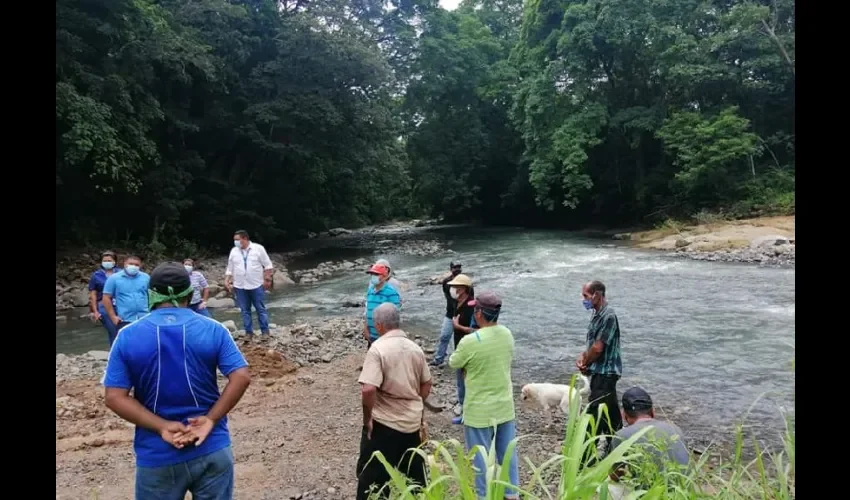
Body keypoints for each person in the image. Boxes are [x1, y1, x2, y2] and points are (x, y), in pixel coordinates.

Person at [102, 262, 252, 500]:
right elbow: (241, 376)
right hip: (211, 446)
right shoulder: (213, 329)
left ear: (150, 294)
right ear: (190, 293)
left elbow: (114, 397)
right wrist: (211, 419)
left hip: (158, 455)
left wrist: (162, 426)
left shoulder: (127, 335)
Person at [356, 303, 431, 500]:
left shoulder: (377, 349)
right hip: (411, 424)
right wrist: (416, 404)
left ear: (379, 325)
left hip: (384, 424)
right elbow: (427, 384)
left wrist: (367, 419)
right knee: (416, 481)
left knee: (372, 481)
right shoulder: (416, 349)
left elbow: (368, 388)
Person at [449, 291, 519, 499]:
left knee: (481, 460)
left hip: (479, 411)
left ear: (479, 313)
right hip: (505, 407)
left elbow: (454, 362)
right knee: (508, 456)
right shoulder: (507, 334)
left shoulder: (470, 341)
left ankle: (483, 495)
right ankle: (512, 494)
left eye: (474, 309)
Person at [575, 280, 623, 459]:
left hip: (606, 373)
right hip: (599, 371)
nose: (584, 300)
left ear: (597, 295)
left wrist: (586, 362)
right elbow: (591, 345)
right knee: (611, 413)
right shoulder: (597, 315)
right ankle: (618, 447)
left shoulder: (608, 316)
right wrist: (583, 357)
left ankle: (585, 457)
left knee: (593, 412)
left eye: (586, 296)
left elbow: (598, 348)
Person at [609, 387, 689, 483]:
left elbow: (616, 475)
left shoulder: (621, 435)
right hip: (683, 491)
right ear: (652, 411)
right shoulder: (675, 429)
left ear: (624, 415)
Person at [225, 230, 274, 339]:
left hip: (256, 285)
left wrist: (267, 279)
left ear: (245, 239)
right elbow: (230, 267)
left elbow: (268, 265)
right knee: (244, 310)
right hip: (239, 285)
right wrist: (227, 280)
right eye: (234, 240)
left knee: (260, 309)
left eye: (237, 239)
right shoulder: (234, 251)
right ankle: (248, 333)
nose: (235, 242)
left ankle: (265, 332)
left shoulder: (258, 249)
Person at [445, 273, 476, 425]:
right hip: (459, 346)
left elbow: (475, 330)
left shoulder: (471, 305)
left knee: (467, 382)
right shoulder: (456, 302)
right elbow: (444, 286)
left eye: (456, 286)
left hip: (469, 349)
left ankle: (468, 414)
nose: (453, 289)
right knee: (460, 382)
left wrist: (458, 327)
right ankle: (464, 410)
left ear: (464, 289)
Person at [103, 255, 151, 334]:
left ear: (140, 266)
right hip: (125, 320)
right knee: (127, 344)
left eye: (136, 265)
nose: (133, 266)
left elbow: (151, 295)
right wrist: (113, 317)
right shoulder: (114, 278)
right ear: (125, 264)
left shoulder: (146, 277)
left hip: (145, 318)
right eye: (131, 264)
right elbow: (106, 298)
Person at [430, 262, 465, 367]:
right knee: (444, 336)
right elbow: (449, 298)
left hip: (463, 314)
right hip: (450, 314)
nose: (457, 269)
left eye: (459, 267)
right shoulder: (446, 282)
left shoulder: (466, 282)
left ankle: (461, 359)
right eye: (455, 267)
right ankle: (439, 358)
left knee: (462, 339)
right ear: (450, 269)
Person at [363, 263, 402, 348]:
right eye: (372, 274)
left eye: (376, 274)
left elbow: (395, 317)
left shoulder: (391, 293)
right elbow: (367, 310)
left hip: (385, 337)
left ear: (384, 276)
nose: (373, 276)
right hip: (371, 335)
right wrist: (366, 328)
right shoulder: (370, 291)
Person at [88, 250, 122, 346]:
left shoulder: (121, 273)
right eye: (105, 260)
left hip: (120, 304)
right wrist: (95, 311)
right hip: (103, 305)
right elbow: (93, 294)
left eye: (109, 260)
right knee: (113, 329)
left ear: (114, 261)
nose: (107, 262)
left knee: (121, 329)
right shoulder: (96, 275)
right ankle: (116, 354)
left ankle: (117, 353)